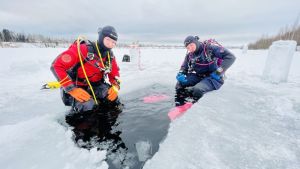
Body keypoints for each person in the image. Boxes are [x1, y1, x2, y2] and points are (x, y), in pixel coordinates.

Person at [51, 26, 121, 112]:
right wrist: (71, 89)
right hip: (77, 86)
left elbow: (115, 74)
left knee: (113, 98)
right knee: (88, 106)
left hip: (96, 86)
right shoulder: (83, 49)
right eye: (108, 40)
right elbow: (56, 65)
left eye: (113, 42)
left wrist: (116, 86)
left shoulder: (110, 56)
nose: (110, 44)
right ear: (101, 37)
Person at [175, 36, 236, 106]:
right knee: (180, 83)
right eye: (188, 47)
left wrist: (219, 72)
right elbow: (184, 67)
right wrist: (180, 74)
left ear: (196, 42)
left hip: (214, 78)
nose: (190, 48)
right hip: (199, 76)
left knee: (197, 89)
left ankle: (191, 104)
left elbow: (230, 57)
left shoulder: (210, 49)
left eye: (191, 45)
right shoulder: (189, 56)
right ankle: (179, 100)